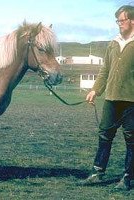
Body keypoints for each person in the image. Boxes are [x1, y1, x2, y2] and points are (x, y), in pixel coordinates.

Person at [80, 5, 134, 190]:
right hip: (111, 99)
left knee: (131, 139)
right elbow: (105, 70)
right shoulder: (113, 43)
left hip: (131, 100)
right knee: (104, 135)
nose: (119, 23)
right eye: (117, 20)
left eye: (122, 20)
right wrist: (95, 90)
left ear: (132, 21)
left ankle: (127, 178)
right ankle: (97, 173)